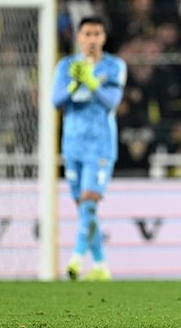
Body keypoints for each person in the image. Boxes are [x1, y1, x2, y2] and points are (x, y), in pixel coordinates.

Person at [52, 16, 127, 281]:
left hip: (100, 146)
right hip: (72, 146)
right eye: (87, 34)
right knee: (84, 208)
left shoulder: (114, 66)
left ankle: (75, 258)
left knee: (88, 203)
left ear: (103, 38)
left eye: (97, 34)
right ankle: (101, 265)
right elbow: (55, 100)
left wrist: (92, 82)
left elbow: (112, 102)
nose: (92, 39)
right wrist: (75, 82)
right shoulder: (66, 66)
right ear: (79, 37)